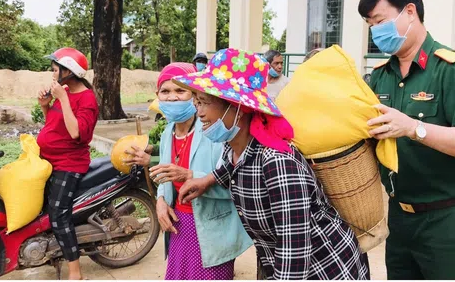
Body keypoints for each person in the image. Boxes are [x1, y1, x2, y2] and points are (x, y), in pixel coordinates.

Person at [174, 48, 369, 280]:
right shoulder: (234, 145)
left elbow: (293, 252)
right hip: (276, 262)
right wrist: (207, 180)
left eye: (205, 102)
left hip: (325, 269)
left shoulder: (278, 164)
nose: (200, 113)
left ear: (239, 107)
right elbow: (232, 166)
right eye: (197, 102)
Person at [359, 0, 455, 280]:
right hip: (399, 218)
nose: (376, 31)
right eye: (371, 25)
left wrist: (414, 127)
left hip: (445, 222)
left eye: (380, 21)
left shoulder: (447, 70)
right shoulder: (379, 76)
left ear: (410, 11)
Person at [124, 62, 252, 280]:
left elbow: (236, 185)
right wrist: (161, 200)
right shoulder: (167, 134)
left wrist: (192, 176)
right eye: (165, 91)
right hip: (178, 226)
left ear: (194, 96)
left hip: (211, 229)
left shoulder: (214, 132)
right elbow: (166, 181)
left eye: (180, 90)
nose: (172, 97)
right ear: (157, 96)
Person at [36, 47, 99, 280]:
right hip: (50, 161)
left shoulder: (86, 98)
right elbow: (54, 125)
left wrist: (61, 99)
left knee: (58, 214)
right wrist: (45, 104)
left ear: (68, 71)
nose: (52, 74)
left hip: (70, 164)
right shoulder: (63, 92)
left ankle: (75, 271)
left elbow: (76, 133)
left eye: (55, 70)